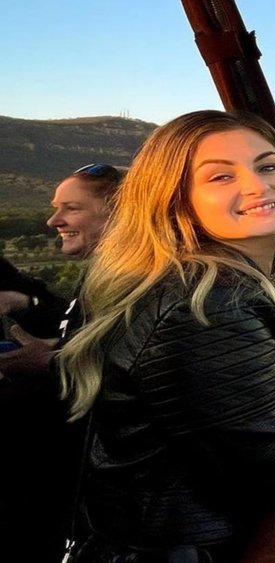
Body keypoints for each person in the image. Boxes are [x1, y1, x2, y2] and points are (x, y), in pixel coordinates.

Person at [59, 110, 275, 562]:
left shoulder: (237, 285)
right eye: (221, 176)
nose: (257, 186)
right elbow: (274, 468)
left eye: (268, 165)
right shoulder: (207, 307)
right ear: (175, 198)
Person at [0, 163, 123, 563]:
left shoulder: (134, 280)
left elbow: (131, 364)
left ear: (121, 212)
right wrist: (52, 343)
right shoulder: (105, 274)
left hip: (80, 485)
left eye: (71, 208)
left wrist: (51, 361)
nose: (53, 221)